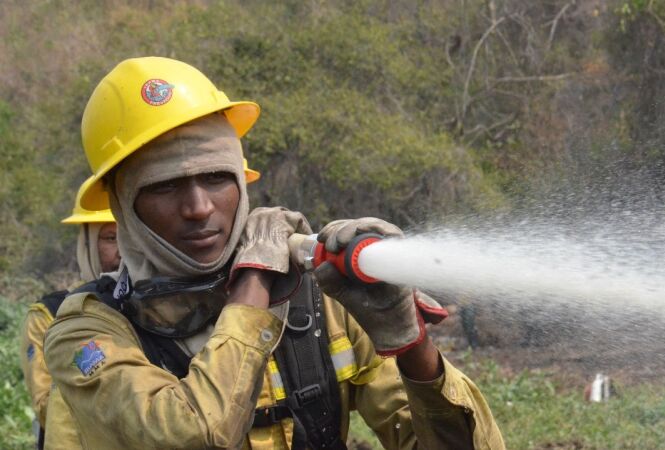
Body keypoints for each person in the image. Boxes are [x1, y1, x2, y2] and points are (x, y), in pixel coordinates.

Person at [44, 56, 505, 449]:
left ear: (240, 183)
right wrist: (253, 281)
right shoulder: (87, 335)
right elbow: (195, 434)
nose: (198, 207)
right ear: (123, 204)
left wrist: (410, 344)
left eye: (216, 178)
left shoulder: (318, 302)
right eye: (165, 187)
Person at [19, 189, 119, 449]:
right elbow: (45, 406)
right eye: (110, 238)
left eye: (128, 237)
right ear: (85, 243)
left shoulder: (149, 307)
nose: (122, 250)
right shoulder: (49, 314)